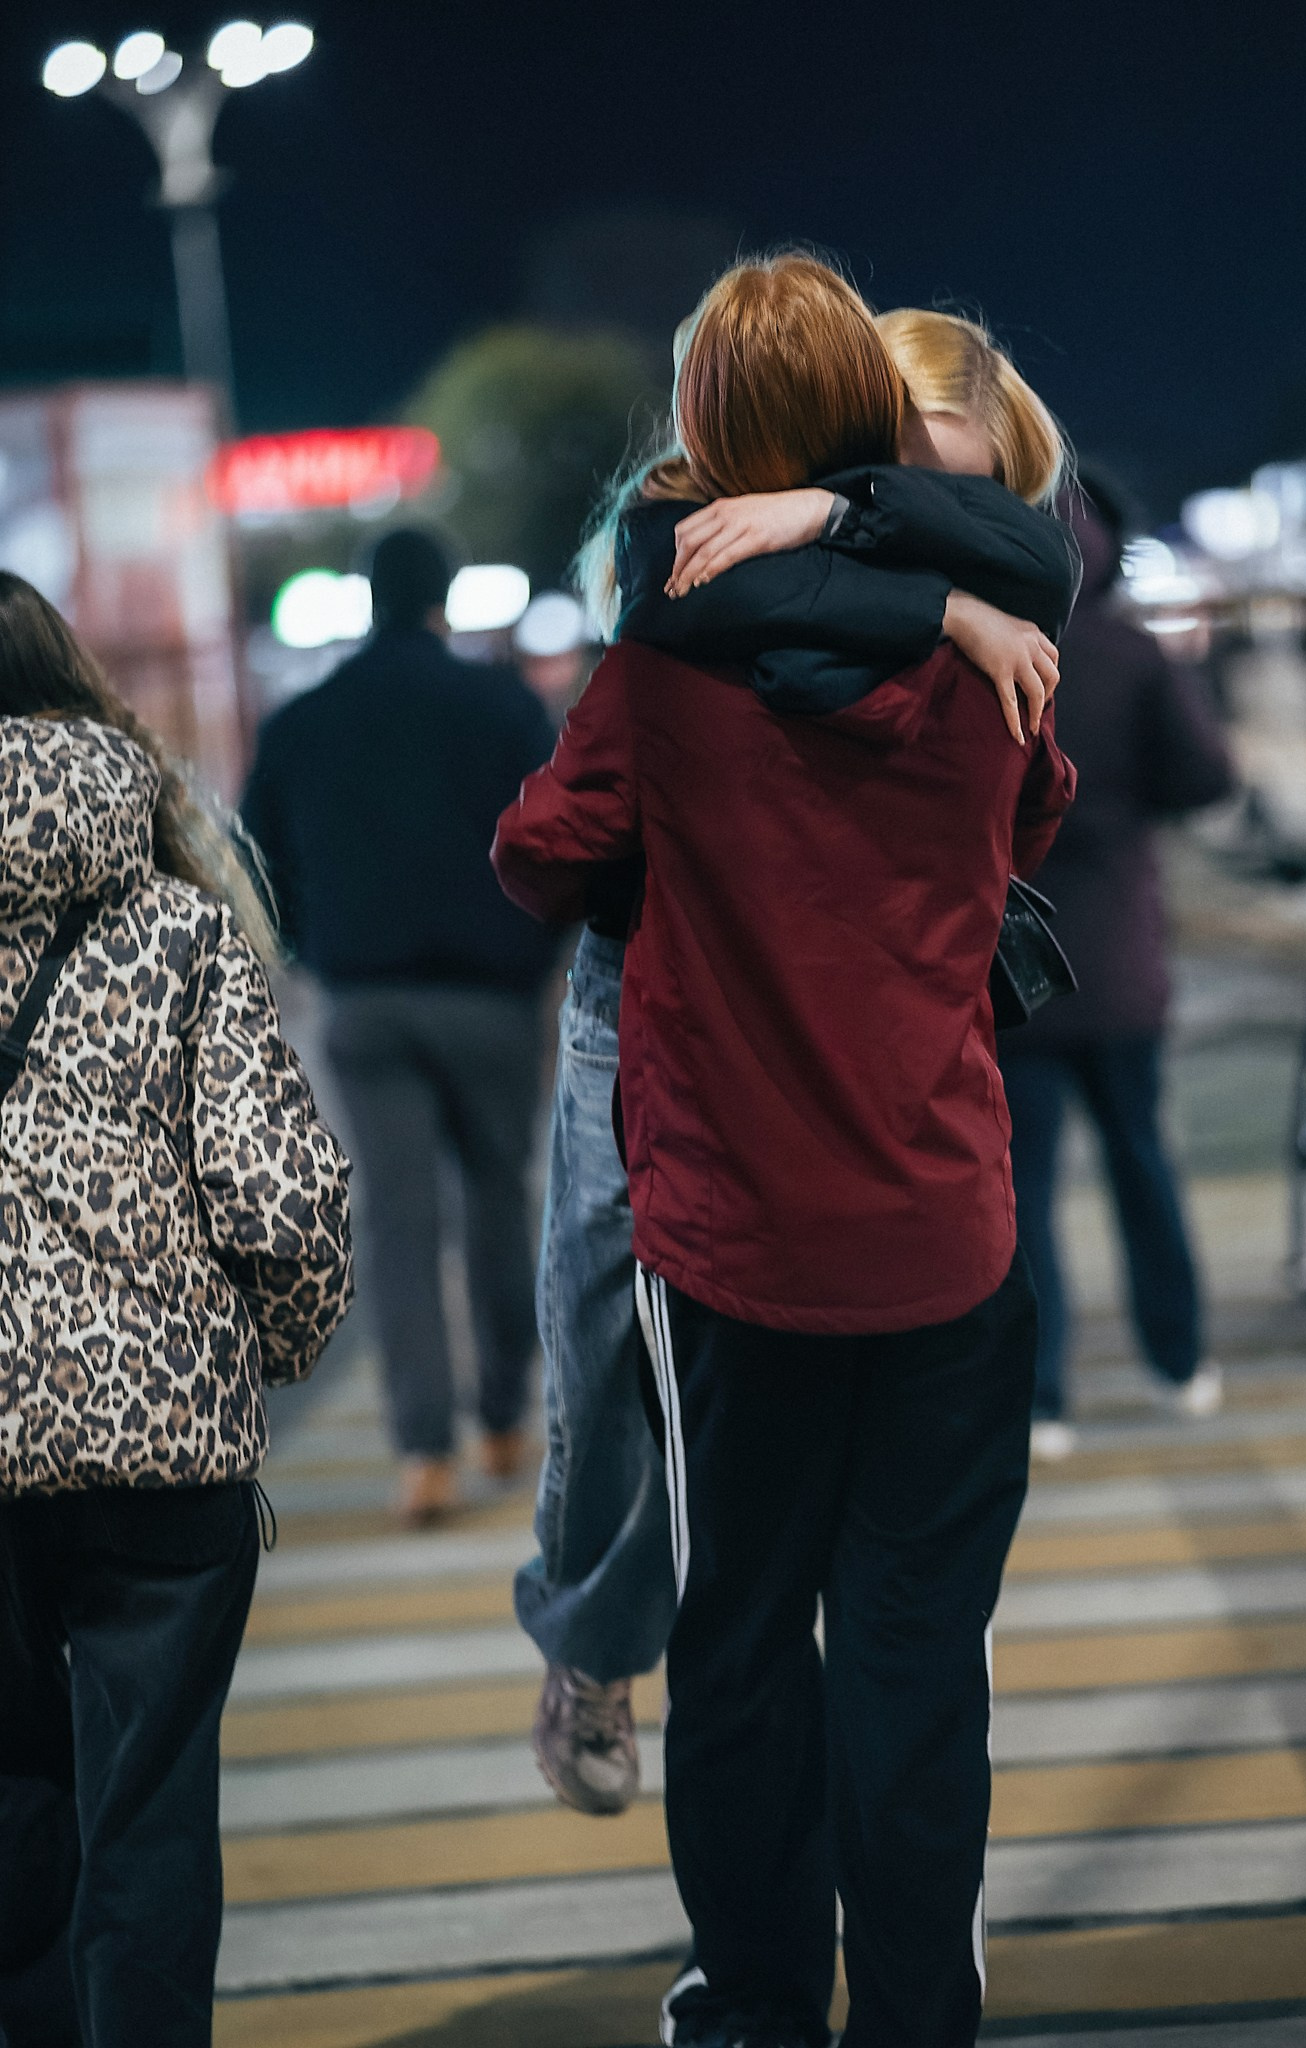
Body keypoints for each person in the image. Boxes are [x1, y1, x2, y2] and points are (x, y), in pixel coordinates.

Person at [494, 252, 1075, 2048]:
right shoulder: (992, 654)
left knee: (741, 1638)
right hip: (942, 1239)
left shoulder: (665, 670)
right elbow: (1036, 815)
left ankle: (751, 2009)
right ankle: (915, 2016)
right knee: (916, 1655)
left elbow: (537, 852)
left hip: (734, 1248)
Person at [0, 573, 353, 2044]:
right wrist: (265, 1352)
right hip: (159, 1450)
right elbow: (280, 1200)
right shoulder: (176, 924)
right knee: (148, 1813)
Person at [241, 528, 560, 1525]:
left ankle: (423, 1449)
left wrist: (315, 947)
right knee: (499, 1199)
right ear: (444, 599)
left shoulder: (303, 720)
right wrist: (536, 951)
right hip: (494, 998)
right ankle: (503, 1417)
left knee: (397, 1218)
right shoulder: (506, 707)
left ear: (367, 599)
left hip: (365, 1001)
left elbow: (258, 859)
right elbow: (563, 832)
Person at [997, 484, 1235, 1453]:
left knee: (1022, 1187)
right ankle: (1179, 1362)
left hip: (1017, 962)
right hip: (1121, 955)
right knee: (1142, 1160)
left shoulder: (983, 651)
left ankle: (1043, 1395)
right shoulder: (1133, 654)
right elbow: (1207, 776)